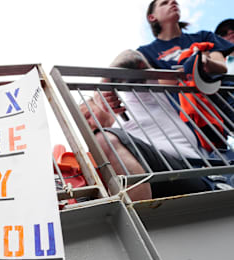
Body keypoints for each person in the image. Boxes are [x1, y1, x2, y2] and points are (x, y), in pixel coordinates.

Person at [81, 50, 211, 200]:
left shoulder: (136, 98)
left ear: (93, 103)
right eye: (85, 125)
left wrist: (103, 86)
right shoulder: (114, 137)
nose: (90, 124)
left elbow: (133, 57)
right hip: (150, 182)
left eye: (88, 116)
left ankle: (134, 216)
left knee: (103, 140)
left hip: (187, 170)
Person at [137, 0, 234, 150]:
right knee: (217, 158)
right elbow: (157, 83)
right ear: (152, 17)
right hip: (189, 112)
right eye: (165, 3)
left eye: (174, 1)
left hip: (224, 98)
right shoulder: (145, 52)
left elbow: (221, 67)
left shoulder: (203, 36)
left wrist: (205, 62)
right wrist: (188, 69)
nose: (173, 3)